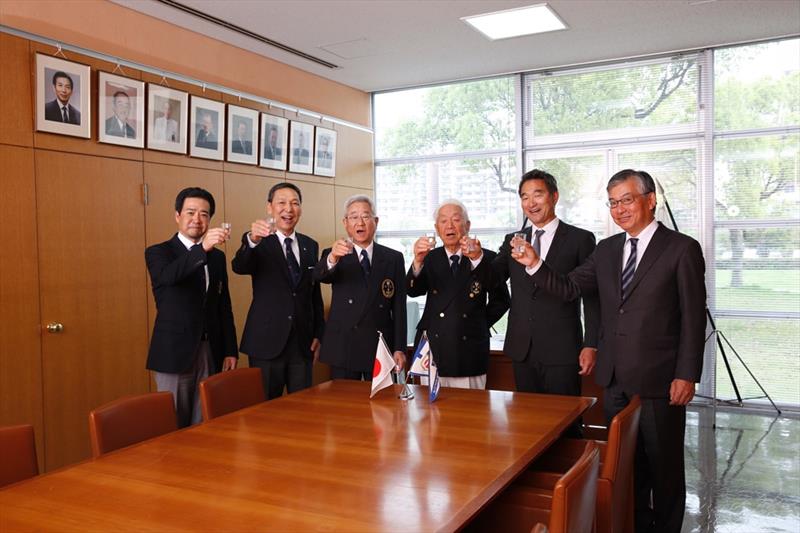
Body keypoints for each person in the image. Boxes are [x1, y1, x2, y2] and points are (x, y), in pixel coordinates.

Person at [519, 169, 707, 533]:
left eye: (627, 200)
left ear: (650, 200)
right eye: (613, 202)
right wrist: (535, 264)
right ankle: (635, 524)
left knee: (664, 468)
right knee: (625, 467)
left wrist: (687, 374)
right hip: (615, 380)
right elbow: (570, 288)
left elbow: (693, 317)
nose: (619, 209)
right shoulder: (606, 250)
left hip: (660, 381)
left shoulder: (681, 248)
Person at [493, 169, 599, 419]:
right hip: (522, 350)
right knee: (527, 422)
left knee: (566, 421)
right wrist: (476, 257)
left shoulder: (580, 239)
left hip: (561, 350)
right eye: (524, 197)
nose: (531, 203)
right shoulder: (514, 240)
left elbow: (592, 297)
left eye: (537, 195)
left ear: (554, 196)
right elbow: (492, 277)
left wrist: (591, 343)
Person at [145, 187, 238, 428]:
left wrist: (230, 349)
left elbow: (223, 305)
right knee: (173, 423)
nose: (197, 219)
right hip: (174, 352)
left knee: (206, 422)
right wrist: (201, 249)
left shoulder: (216, 258)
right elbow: (168, 277)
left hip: (210, 350)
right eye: (190, 212)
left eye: (204, 214)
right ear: (177, 216)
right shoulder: (159, 252)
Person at [232, 183, 324, 399]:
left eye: (295, 203)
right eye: (281, 203)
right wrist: (252, 240)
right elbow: (239, 266)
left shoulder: (310, 245)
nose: (288, 209)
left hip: (302, 345)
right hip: (266, 342)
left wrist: (319, 333)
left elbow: (314, 293)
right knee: (264, 412)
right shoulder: (258, 241)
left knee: (303, 411)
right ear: (269, 207)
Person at [407, 200, 509, 388]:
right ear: (437, 229)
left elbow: (502, 300)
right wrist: (417, 262)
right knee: (429, 413)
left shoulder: (486, 257)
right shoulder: (429, 257)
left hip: (469, 348)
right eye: (443, 221)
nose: (450, 226)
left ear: (467, 225)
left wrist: (477, 323)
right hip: (432, 348)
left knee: (470, 412)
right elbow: (413, 291)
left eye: (456, 220)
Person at [314, 195, 406, 379]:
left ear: (376, 221)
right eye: (354, 217)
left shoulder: (393, 258)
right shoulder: (334, 254)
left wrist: (399, 348)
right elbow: (319, 276)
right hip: (343, 345)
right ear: (345, 223)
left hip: (379, 345)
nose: (360, 222)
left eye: (365, 216)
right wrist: (333, 258)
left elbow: (399, 308)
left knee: (382, 405)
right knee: (345, 405)